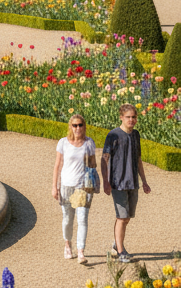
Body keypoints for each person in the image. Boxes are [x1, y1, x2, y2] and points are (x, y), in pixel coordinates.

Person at [102, 104, 151, 263]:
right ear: (121, 117)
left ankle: (117, 245)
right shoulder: (113, 135)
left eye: (134, 117)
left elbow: (138, 159)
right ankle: (121, 251)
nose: (131, 120)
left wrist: (144, 181)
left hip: (133, 183)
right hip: (118, 183)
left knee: (127, 217)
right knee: (122, 217)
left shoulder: (136, 135)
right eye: (128, 117)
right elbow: (104, 159)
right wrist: (106, 181)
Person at [53, 114, 97, 265]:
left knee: (82, 218)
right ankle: (67, 244)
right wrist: (55, 186)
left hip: (82, 187)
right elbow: (57, 165)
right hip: (66, 185)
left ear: (84, 126)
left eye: (80, 125)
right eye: (75, 125)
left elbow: (93, 164)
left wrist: (92, 181)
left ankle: (81, 252)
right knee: (67, 219)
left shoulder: (89, 143)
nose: (78, 128)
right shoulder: (63, 143)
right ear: (70, 127)